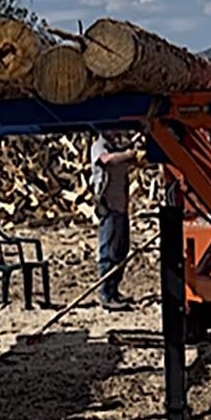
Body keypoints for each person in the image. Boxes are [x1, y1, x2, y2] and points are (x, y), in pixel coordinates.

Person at [90, 129, 140, 311]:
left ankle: (114, 289)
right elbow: (106, 160)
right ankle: (106, 293)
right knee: (108, 251)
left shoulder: (116, 148)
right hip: (109, 207)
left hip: (121, 207)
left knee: (121, 250)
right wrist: (128, 154)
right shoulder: (99, 146)